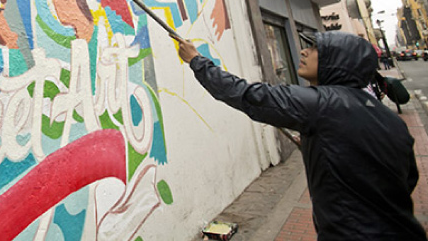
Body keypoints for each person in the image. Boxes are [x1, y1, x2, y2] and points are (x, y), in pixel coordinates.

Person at [176, 31, 426, 240]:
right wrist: (318, 145)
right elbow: (405, 179)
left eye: (315, 49)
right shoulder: (389, 119)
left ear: (338, 61)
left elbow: (246, 95)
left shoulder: (321, 104)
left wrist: (197, 60)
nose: (304, 52)